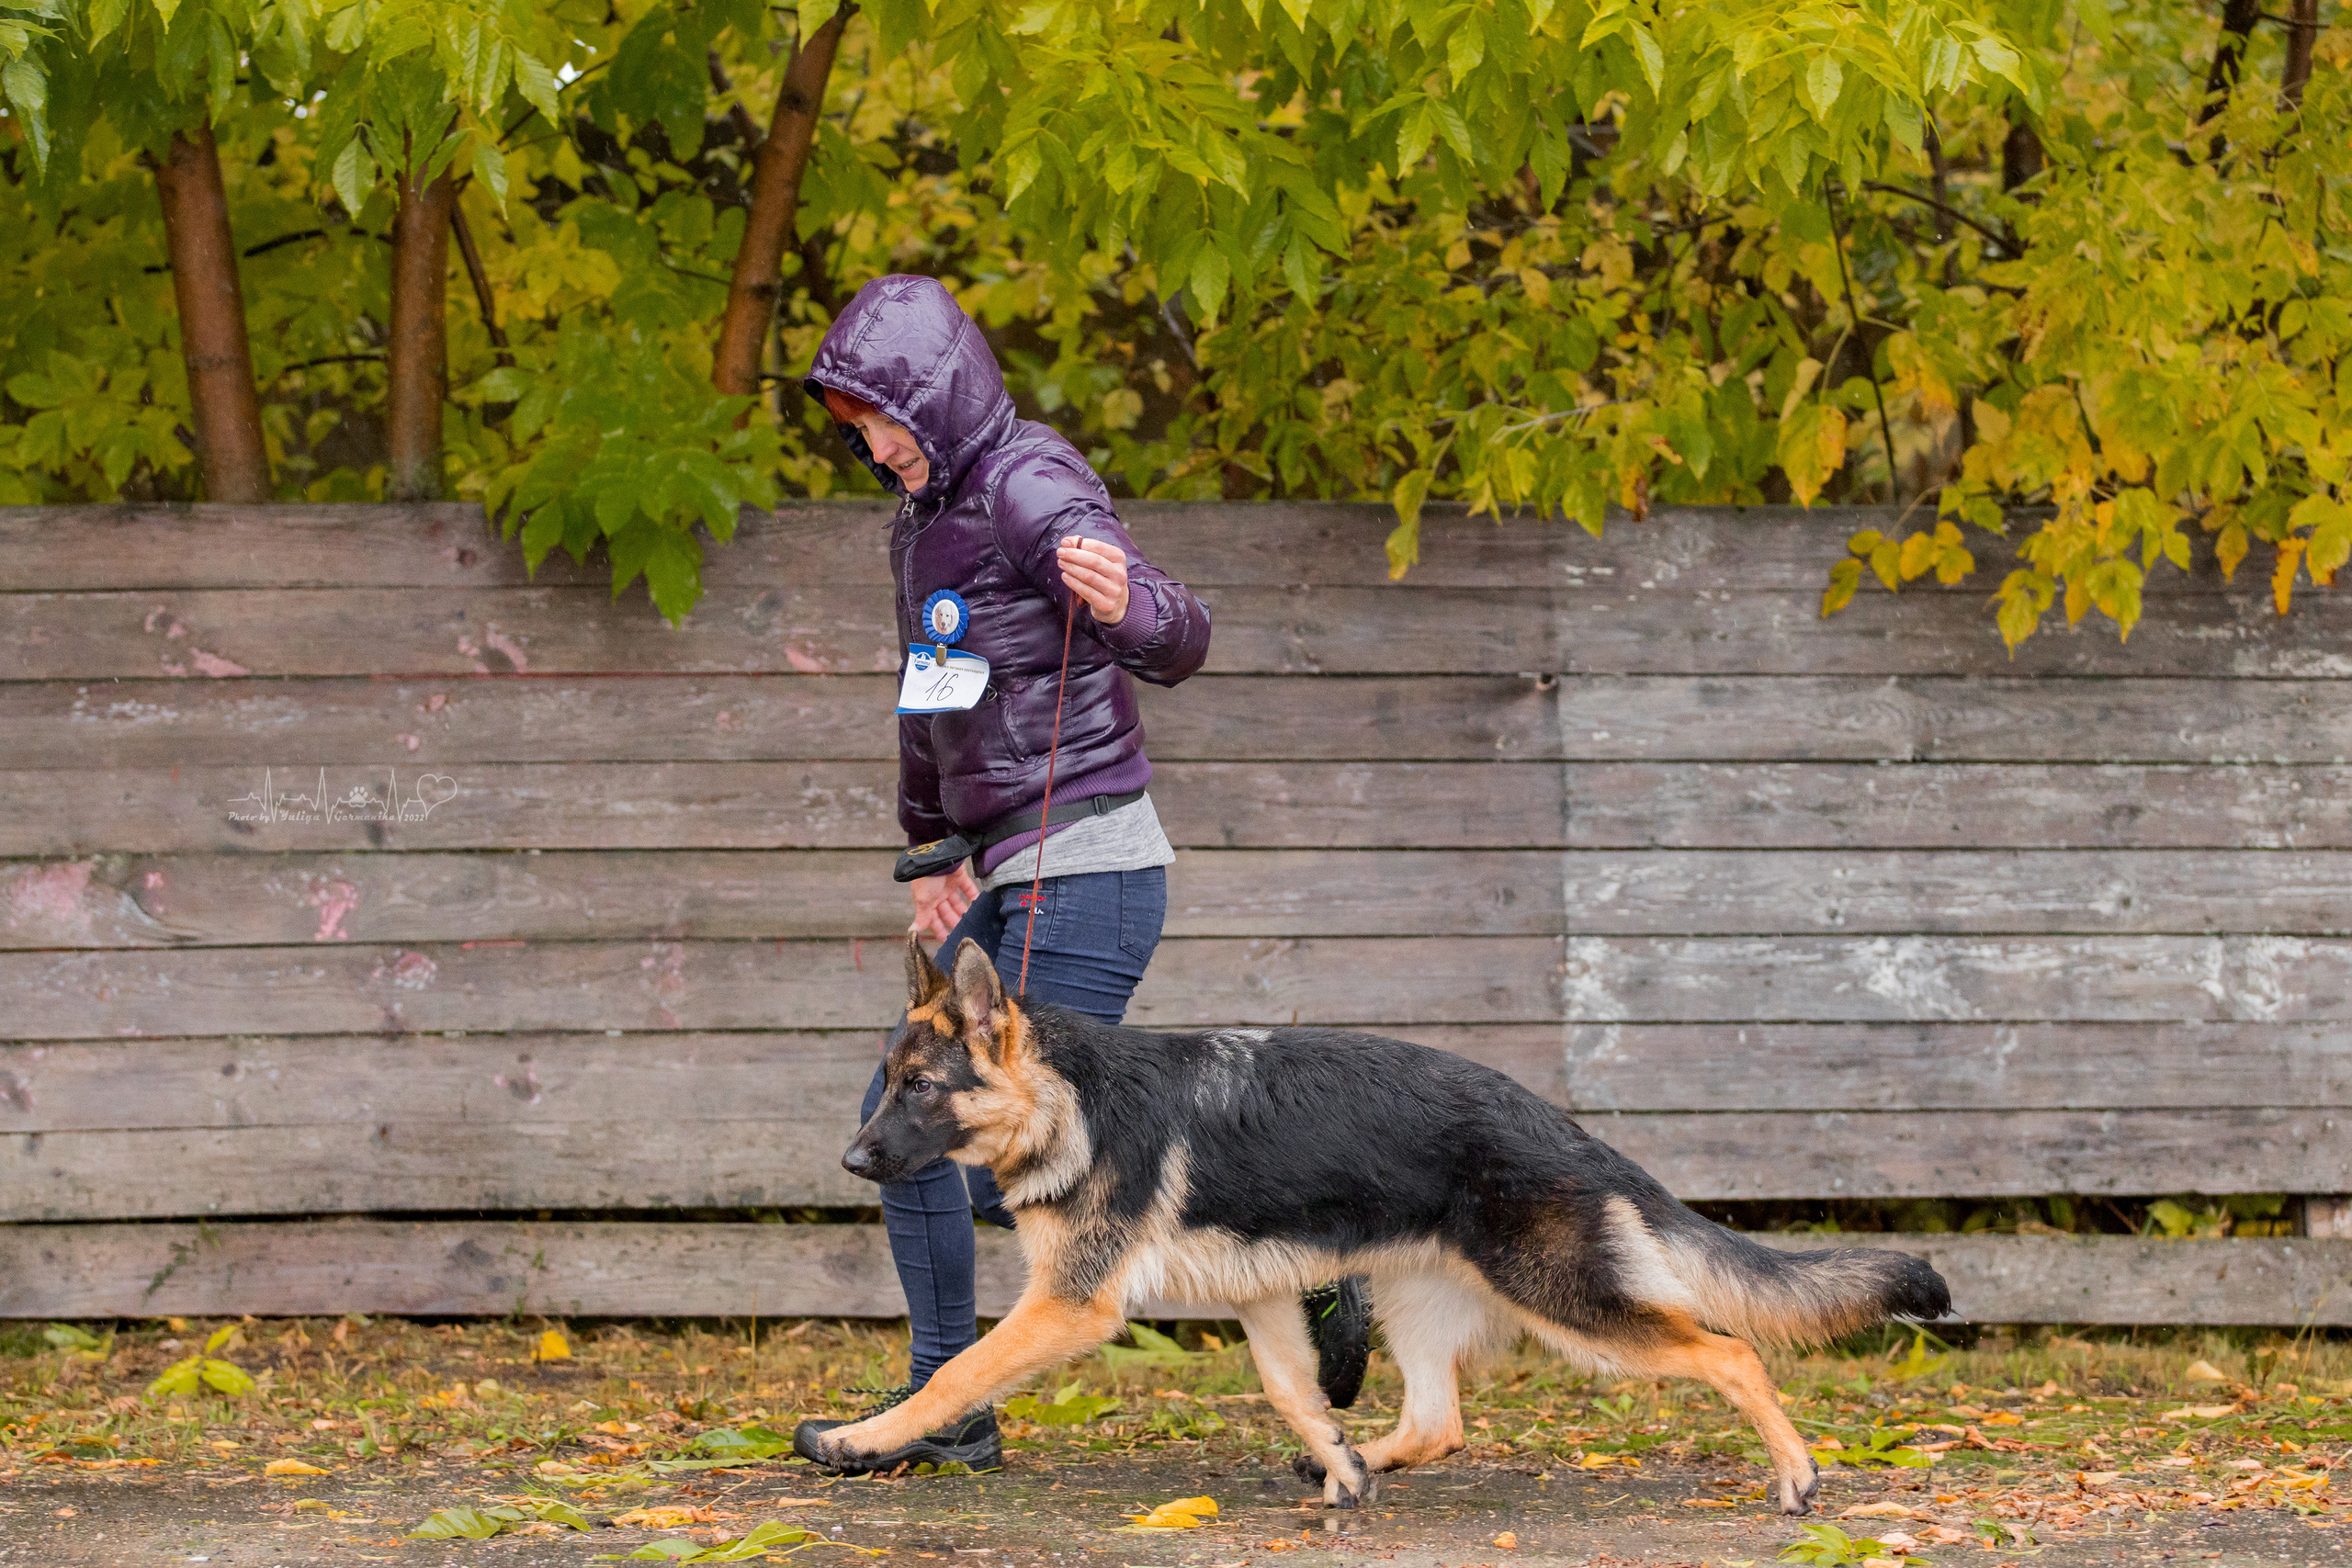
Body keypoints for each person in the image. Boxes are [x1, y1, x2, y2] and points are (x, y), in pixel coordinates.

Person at [797, 275, 1371, 1475]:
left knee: (951, 1137)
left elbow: (1177, 629)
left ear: (934, 397)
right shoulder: (921, 522)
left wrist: (1131, 605)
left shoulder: (1028, 479)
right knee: (934, 1136)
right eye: (858, 427)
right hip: (1010, 866)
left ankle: (954, 1401)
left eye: (884, 420)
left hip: (1089, 861)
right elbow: (930, 701)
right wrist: (934, 853)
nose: (875, 446)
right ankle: (1293, 1241)